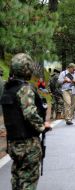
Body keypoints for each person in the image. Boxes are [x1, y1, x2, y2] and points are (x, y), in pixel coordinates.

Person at [0, 53, 51, 190]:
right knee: (28, 180)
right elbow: (30, 114)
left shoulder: (8, 89)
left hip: (13, 143)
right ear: (28, 69)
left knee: (17, 178)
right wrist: (43, 126)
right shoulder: (25, 89)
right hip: (28, 143)